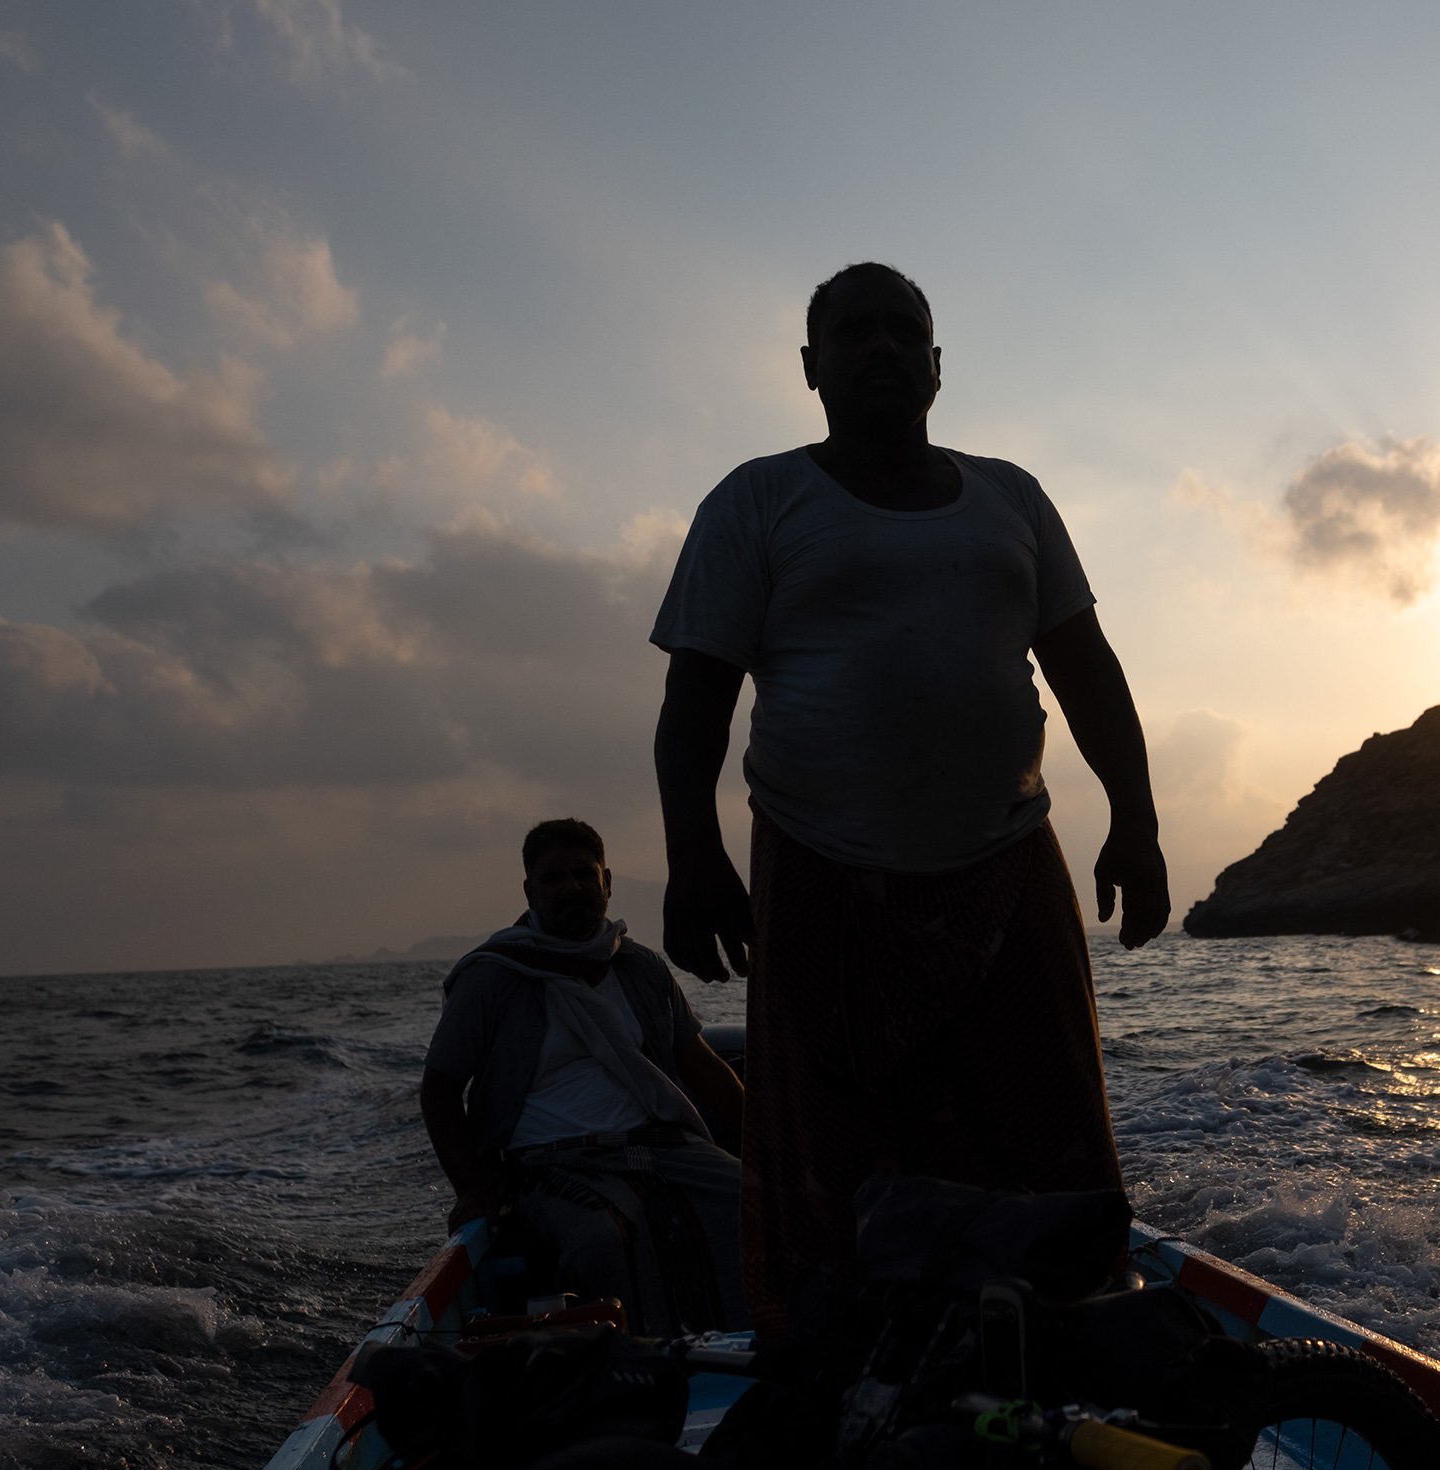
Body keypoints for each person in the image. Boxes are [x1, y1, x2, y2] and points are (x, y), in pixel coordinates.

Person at [651, 261, 1169, 1331]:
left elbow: (1087, 670)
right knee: (831, 1167)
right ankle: (839, 1375)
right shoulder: (757, 499)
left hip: (1009, 864)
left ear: (937, 367)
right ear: (812, 367)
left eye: (903, 331)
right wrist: (693, 856)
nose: (881, 346)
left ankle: (1062, 1365)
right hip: (819, 870)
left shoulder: (1012, 496)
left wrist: (1138, 821)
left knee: (1048, 1144)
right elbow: (696, 698)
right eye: (855, 332)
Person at [419, 818, 749, 1332]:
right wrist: (472, 1189)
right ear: (530, 892)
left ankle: (753, 1346)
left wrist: (774, 1145)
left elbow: (699, 1064)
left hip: (661, 1146)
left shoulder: (641, 967)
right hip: (548, 1162)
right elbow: (439, 1090)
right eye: (553, 878)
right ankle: (633, 1363)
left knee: (757, 1202)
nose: (570, 887)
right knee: (602, 1240)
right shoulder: (492, 976)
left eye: (582, 874)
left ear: (607, 882)